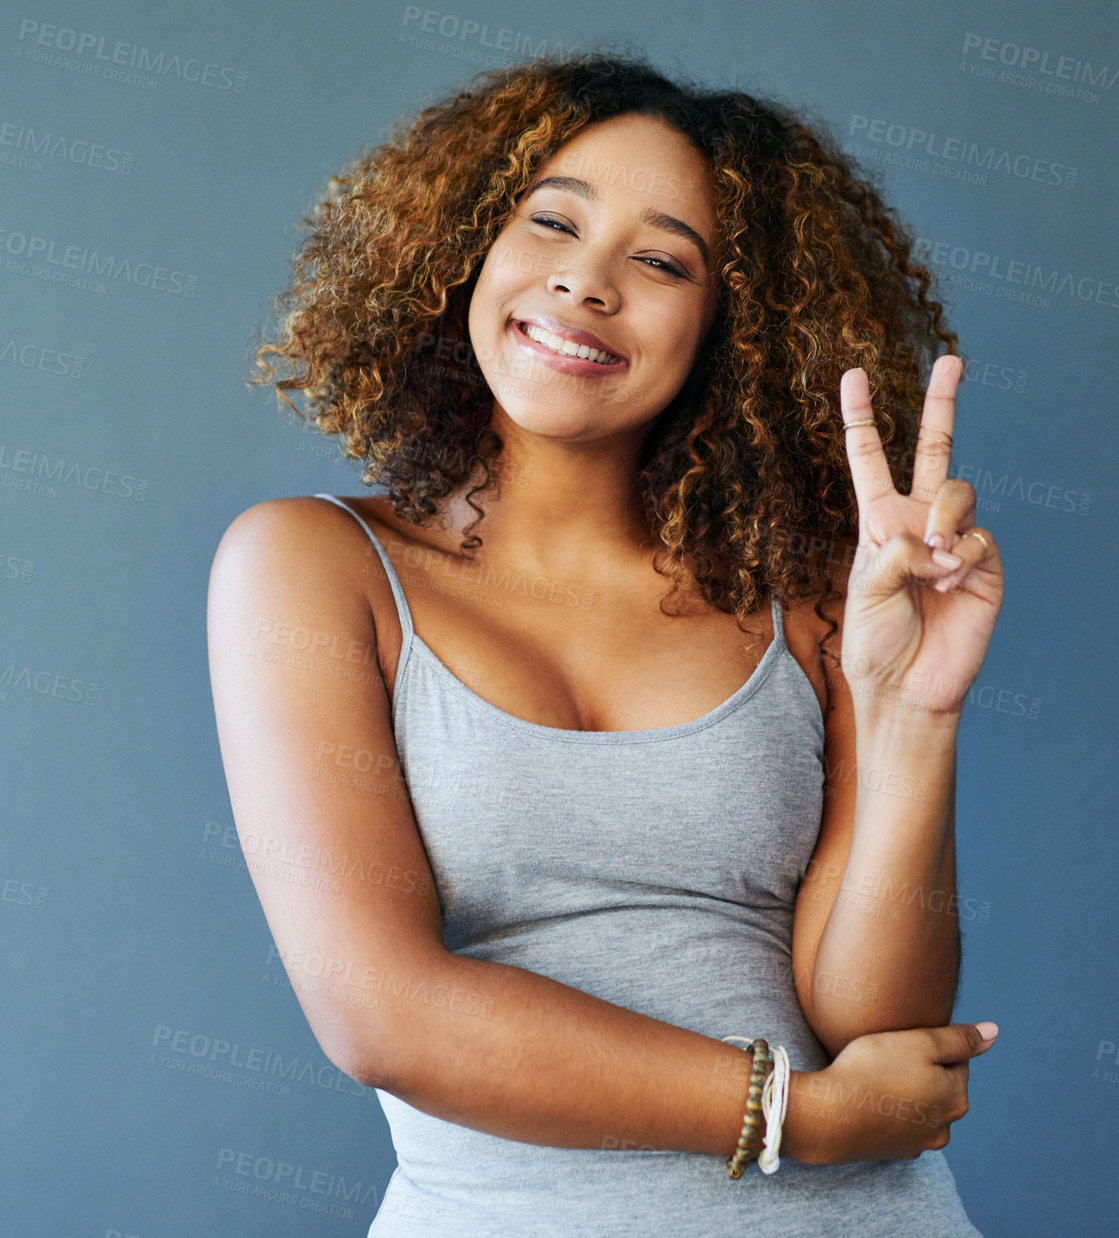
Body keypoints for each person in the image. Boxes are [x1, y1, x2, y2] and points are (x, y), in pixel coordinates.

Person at [207, 49, 1005, 1235]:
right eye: (551, 222)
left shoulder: (808, 601)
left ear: (729, 326)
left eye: (662, 259)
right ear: (460, 249)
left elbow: (875, 1028)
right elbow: (384, 1011)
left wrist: (913, 714)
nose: (585, 283)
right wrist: (803, 1116)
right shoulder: (313, 567)